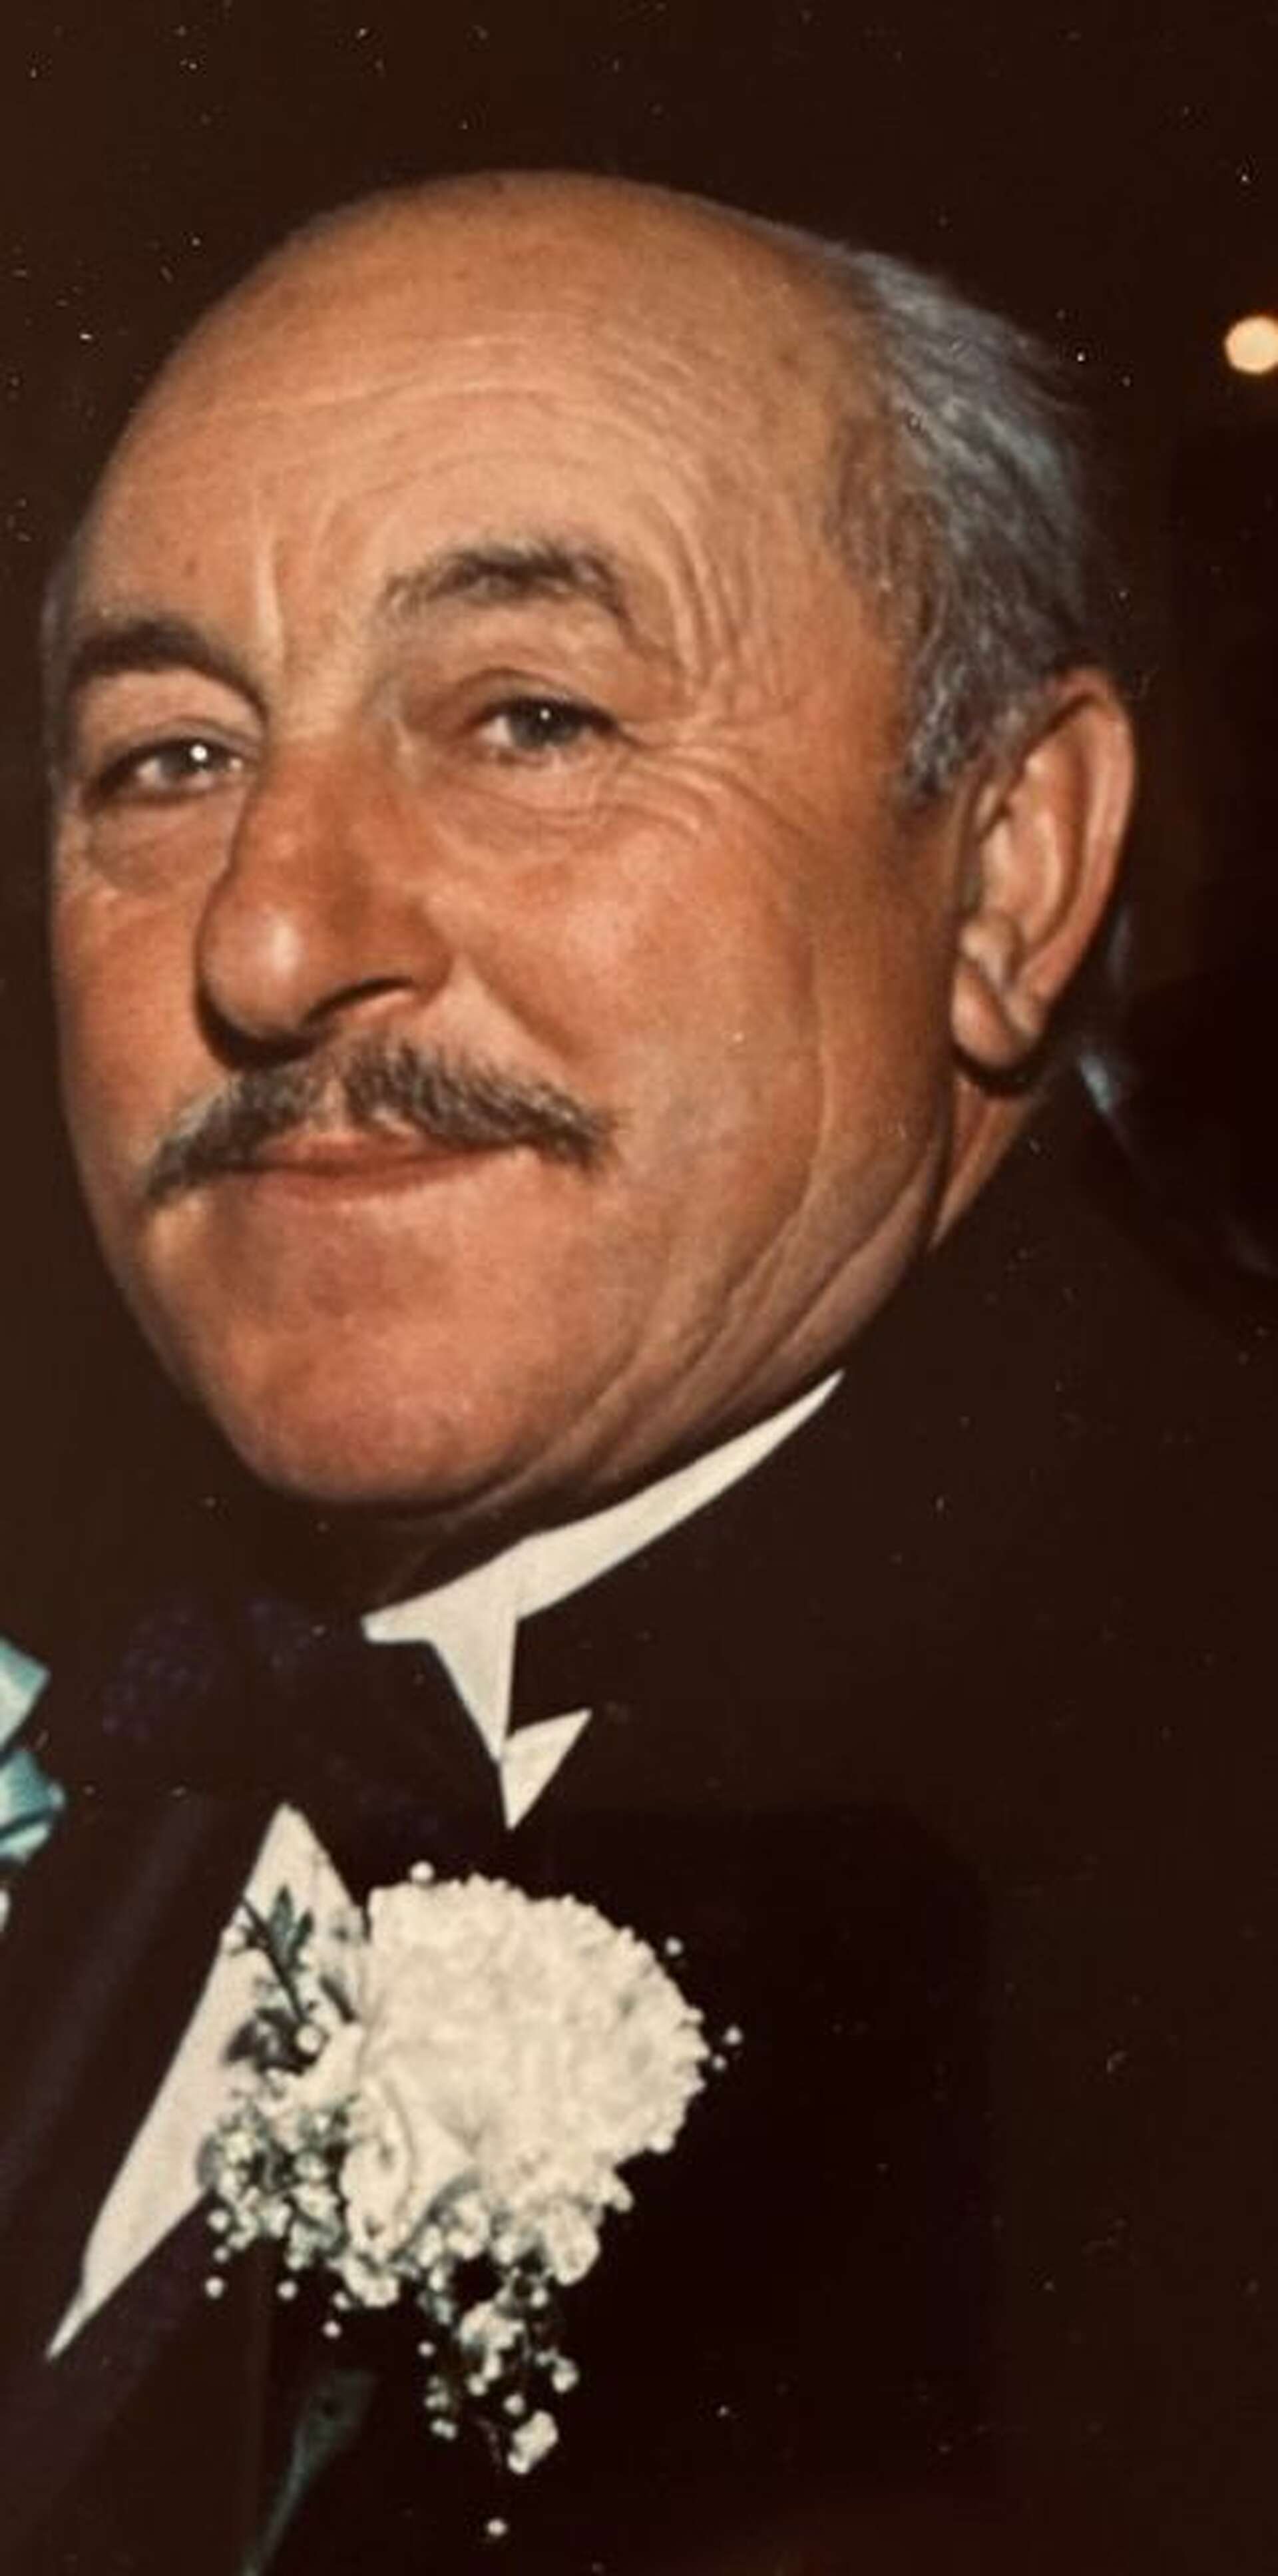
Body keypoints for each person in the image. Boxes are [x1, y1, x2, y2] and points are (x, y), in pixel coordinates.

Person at [0, 172, 1272, 2574]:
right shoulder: (154, 1709)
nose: (269, 939)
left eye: (530, 720)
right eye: (168, 759)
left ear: (1007, 871)